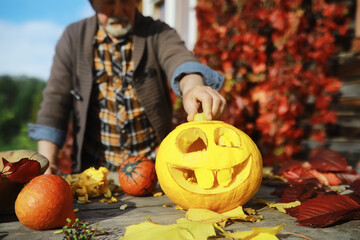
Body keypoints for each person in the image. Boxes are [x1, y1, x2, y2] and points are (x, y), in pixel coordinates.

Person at [28, 0, 226, 174]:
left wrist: (192, 87)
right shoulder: (73, 37)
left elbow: (178, 58)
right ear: (92, 3)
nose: (118, 9)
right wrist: (48, 163)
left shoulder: (157, 33)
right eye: (108, 2)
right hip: (95, 171)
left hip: (157, 170)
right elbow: (55, 102)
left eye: (125, 0)